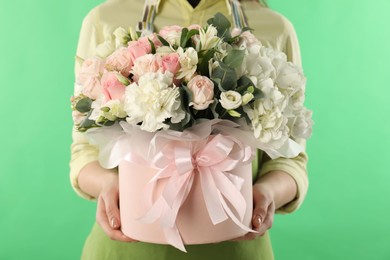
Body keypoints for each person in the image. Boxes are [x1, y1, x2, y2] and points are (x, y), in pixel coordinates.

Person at [70, 0, 309, 259]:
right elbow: (84, 150)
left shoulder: (274, 28)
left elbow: (290, 157)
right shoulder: (105, 19)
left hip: (235, 247)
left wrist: (267, 193)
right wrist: (107, 184)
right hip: (127, 249)